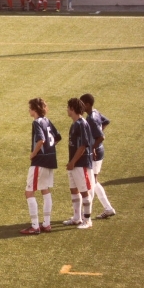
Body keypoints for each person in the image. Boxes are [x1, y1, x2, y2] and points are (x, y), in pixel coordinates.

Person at [20, 98, 62, 235]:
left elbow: (41, 140)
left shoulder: (36, 122)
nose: (29, 110)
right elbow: (57, 137)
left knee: (29, 191)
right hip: (50, 160)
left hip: (40, 161)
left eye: (30, 108)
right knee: (45, 189)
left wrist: (34, 153)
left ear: (35, 109)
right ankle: (47, 224)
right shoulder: (47, 121)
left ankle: (35, 226)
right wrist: (49, 149)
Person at [80, 93, 116, 219]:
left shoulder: (91, 118)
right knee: (93, 181)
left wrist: (92, 147)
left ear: (87, 104)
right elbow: (106, 121)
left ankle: (85, 214)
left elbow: (101, 137)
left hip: (95, 153)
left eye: (82, 104)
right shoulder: (95, 113)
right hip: (99, 151)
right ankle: (108, 208)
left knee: (91, 182)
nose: (80, 106)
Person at [64, 98, 95, 229]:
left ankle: (87, 220)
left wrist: (73, 162)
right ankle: (77, 217)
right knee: (74, 190)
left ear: (72, 109)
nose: (67, 110)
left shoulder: (82, 124)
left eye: (68, 107)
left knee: (84, 191)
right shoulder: (75, 124)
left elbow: (83, 145)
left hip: (80, 164)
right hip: (74, 164)